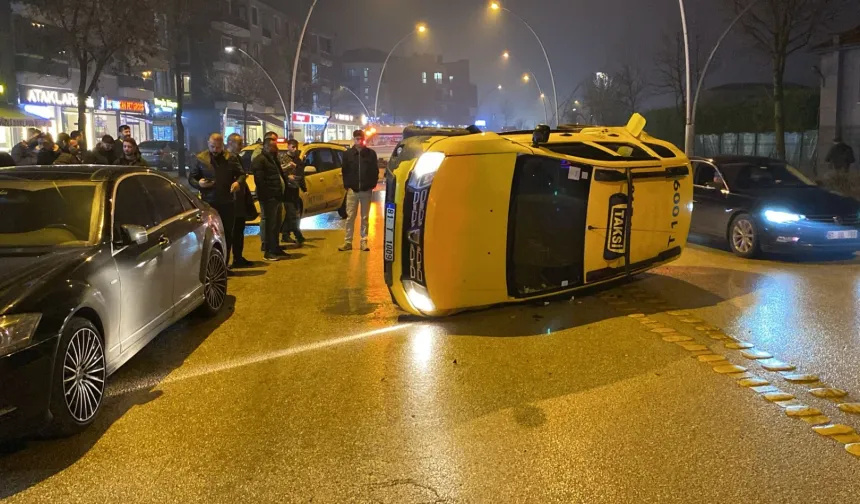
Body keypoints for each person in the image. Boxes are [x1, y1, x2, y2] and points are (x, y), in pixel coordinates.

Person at [189, 133, 246, 265]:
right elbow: (191, 178)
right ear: (208, 144)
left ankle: (224, 265)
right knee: (210, 235)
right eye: (213, 146)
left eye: (218, 147)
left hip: (227, 202)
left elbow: (241, 174)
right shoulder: (200, 158)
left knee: (227, 234)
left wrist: (238, 182)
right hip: (209, 202)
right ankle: (213, 264)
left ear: (223, 146)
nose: (215, 150)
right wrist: (199, 184)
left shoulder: (230, 158)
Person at [339, 129, 378, 252]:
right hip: (352, 190)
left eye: (361, 138)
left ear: (364, 139)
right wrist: (347, 185)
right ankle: (348, 242)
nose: (359, 141)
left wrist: (372, 184)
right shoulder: (348, 154)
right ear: (354, 139)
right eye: (357, 139)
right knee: (350, 217)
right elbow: (344, 171)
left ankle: (363, 242)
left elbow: (374, 171)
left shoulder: (371, 154)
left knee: (365, 217)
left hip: (366, 190)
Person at [252, 136, 290, 261]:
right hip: (269, 198)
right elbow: (260, 181)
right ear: (267, 147)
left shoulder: (273, 159)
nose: (277, 149)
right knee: (269, 224)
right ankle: (268, 251)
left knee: (276, 224)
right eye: (274, 146)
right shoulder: (260, 160)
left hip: (277, 196)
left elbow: (279, 175)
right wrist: (268, 195)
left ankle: (275, 247)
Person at [226, 133, 254, 268]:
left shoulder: (237, 158)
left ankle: (238, 258)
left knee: (239, 231)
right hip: (232, 201)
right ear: (230, 143)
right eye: (239, 143)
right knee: (232, 232)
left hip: (240, 200)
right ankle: (229, 261)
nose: (242, 146)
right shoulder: (227, 159)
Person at [281, 139, 307, 245]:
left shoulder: (297, 159)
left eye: (296, 147)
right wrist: (288, 177)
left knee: (293, 213)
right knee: (292, 213)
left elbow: (302, 172)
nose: (294, 149)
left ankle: (285, 234)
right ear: (288, 146)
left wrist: (304, 187)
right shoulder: (283, 158)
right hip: (286, 190)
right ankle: (297, 234)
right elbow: (279, 172)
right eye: (292, 146)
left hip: (295, 189)